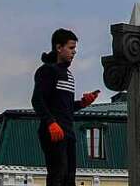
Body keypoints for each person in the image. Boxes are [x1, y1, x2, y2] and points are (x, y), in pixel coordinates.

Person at [31, 29, 100, 186]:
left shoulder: (68, 74)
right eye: (70, 48)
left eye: (74, 48)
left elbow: (65, 106)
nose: (74, 52)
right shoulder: (47, 70)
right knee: (58, 174)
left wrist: (82, 103)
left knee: (69, 177)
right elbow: (37, 100)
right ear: (58, 47)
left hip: (67, 131)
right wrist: (50, 123)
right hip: (54, 131)